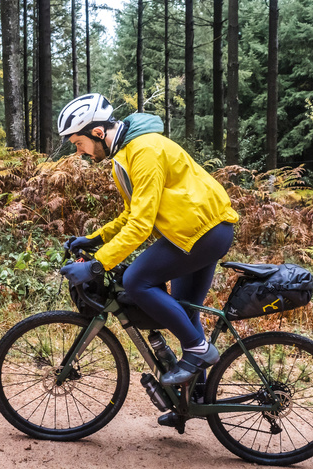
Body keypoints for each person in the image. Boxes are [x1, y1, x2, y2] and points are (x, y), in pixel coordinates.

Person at [57, 93, 239, 394]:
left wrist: (98, 264)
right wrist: (96, 238)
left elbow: (141, 225)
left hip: (202, 232)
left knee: (136, 280)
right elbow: (132, 213)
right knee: (183, 310)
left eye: (79, 143)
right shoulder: (124, 157)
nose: (80, 152)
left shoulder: (145, 151)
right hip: (194, 232)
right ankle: (194, 398)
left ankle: (198, 349)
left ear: (98, 133)